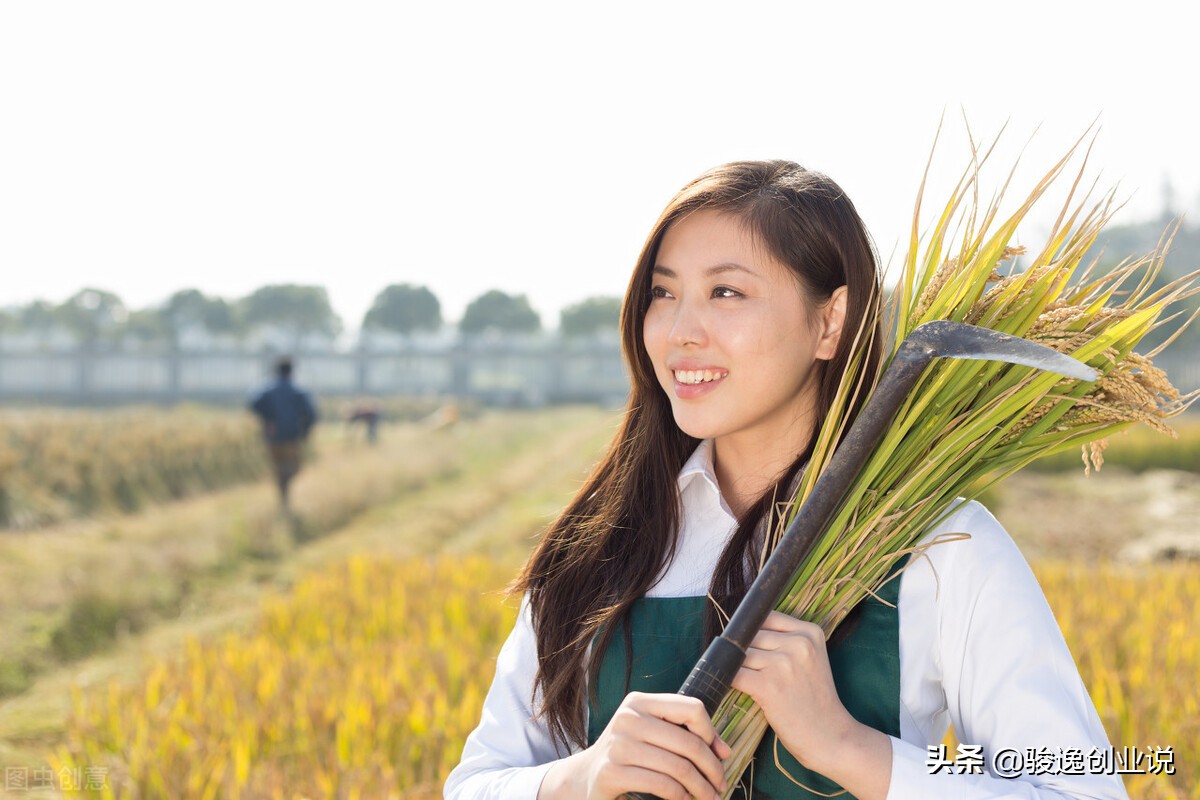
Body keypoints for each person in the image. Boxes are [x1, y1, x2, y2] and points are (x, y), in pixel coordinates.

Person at [445, 162, 1127, 800]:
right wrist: (583, 775)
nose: (680, 330)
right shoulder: (600, 550)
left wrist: (849, 747)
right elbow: (476, 783)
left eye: (726, 292)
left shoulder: (942, 547)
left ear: (829, 322)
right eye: (663, 292)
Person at [249, 355, 318, 509]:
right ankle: (284, 492)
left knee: (279, 466)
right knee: (293, 467)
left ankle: (283, 494)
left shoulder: (266, 389)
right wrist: (304, 432)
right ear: (291, 371)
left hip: (272, 437)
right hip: (292, 437)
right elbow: (311, 414)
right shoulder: (298, 391)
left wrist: (268, 419)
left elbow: (253, 404)